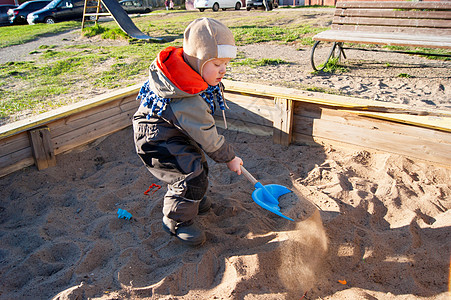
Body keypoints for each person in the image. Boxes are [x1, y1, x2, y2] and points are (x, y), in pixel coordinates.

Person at [133, 18, 243, 246]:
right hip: (156, 139)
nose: (223, 70)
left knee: (197, 164)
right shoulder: (185, 96)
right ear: (197, 60)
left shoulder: (188, 74)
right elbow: (206, 135)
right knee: (189, 176)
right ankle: (176, 221)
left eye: (226, 63)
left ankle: (193, 199)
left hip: (170, 130)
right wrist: (230, 157)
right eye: (216, 64)